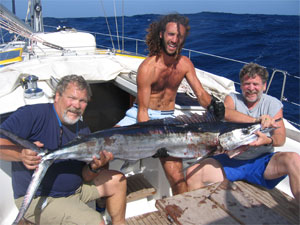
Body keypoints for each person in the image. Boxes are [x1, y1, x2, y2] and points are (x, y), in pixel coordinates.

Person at [116, 13, 225, 195]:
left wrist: (213, 105)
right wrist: (150, 141)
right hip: (140, 116)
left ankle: (182, 215)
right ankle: (102, 198)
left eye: (179, 36)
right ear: (161, 35)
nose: (174, 40)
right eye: (171, 34)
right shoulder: (147, 67)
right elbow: (142, 110)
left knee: (178, 180)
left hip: (167, 119)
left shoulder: (185, 64)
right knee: (103, 151)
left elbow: (200, 94)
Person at [0, 75, 127, 225]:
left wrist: (94, 167)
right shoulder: (33, 114)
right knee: (96, 222)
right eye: (71, 98)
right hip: (41, 197)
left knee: (119, 180)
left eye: (82, 101)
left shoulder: (84, 130)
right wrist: (21, 155)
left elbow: (85, 176)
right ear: (57, 96)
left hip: (77, 189)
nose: (76, 105)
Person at [186, 63, 300, 202]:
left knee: (294, 159)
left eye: (255, 84)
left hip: (262, 162)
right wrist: (255, 120)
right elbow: (225, 113)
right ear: (241, 85)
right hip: (231, 160)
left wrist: (267, 141)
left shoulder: (272, 104)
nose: (251, 88)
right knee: (192, 174)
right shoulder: (233, 98)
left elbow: (280, 139)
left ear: (264, 86)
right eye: (247, 84)